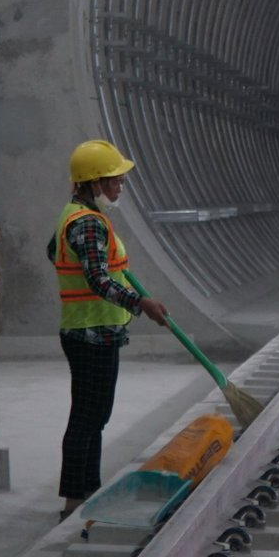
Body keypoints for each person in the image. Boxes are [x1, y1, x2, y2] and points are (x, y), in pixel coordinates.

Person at [47, 139, 168, 519]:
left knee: (93, 416)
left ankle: (86, 492)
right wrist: (140, 303)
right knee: (88, 417)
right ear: (93, 183)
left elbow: (53, 250)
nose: (120, 188)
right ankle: (74, 501)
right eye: (114, 181)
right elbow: (98, 280)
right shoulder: (87, 224)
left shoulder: (75, 215)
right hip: (91, 333)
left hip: (91, 331)